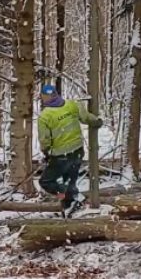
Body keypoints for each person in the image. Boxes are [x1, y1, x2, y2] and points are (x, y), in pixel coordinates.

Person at [37, 84, 103, 213]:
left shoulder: (45, 116)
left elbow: (44, 140)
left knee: (46, 182)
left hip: (61, 155)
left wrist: (45, 152)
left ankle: (72, 197)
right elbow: (86, 118)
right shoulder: (72, 104)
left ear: (44, 97)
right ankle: (70, 207)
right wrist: (98, 121)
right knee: (69, 180)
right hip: (77, 151)